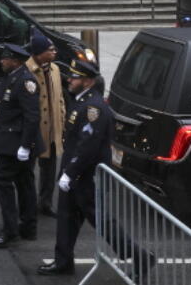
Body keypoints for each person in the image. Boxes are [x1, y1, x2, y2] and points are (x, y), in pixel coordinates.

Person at [39, 59, 151, 280]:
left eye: (75, 77)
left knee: (100, 220)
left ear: (88, 81)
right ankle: (63, 261)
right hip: (75, 173)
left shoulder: (94, 108)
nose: (69, 80)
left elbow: (87, 146)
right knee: (66, 218)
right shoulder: (81, 100)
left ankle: (141, 257)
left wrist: (70, 173)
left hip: (87, 177)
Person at [0, 43, 40, 248]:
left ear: (15, 61)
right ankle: (28, 226)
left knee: (1, 179)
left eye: (4, 58)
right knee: (24, 182)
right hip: (14, 141)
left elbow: (32, 117)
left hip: (17, 143)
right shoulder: (10, 77)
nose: (1, 61)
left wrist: (25, 146)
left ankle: (10, 230)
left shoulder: (25, 82)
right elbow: (0, 103)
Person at [25, 32, 66, 218]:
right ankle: (28, 204)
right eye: (50, 50)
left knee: (49, 169)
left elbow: (60, 99)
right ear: (40, 53)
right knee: (27, 169)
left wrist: (62, 119)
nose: (54, 52)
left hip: (52, 129)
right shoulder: (27, 71)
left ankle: (46, 202)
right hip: (34, 130)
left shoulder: (55, 70)